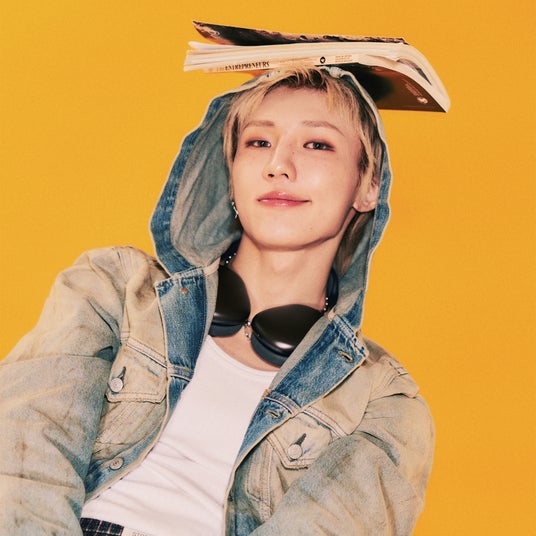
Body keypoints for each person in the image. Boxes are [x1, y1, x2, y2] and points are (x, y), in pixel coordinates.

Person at [0, 66, 434, 535]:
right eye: (258, 142)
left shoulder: (383, 401)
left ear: (368, 186)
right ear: (231, 174)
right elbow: (26, 459)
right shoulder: (114, 288)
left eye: (316, 144)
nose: (278, 165)